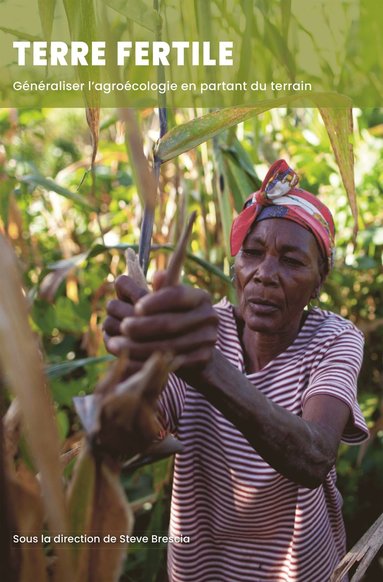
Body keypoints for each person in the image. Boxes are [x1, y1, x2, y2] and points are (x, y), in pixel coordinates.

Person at [103, 159, 369, 582]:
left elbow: (315, 456)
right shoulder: (201, 329)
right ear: (236, 266)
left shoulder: (333, 340)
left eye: (292, 261)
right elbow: (126, 440)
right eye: (252, 252)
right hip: (201, 569)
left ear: (320, 280)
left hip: (301, 569)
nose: (265, 274)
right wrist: (131, 373)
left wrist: (203, 365)